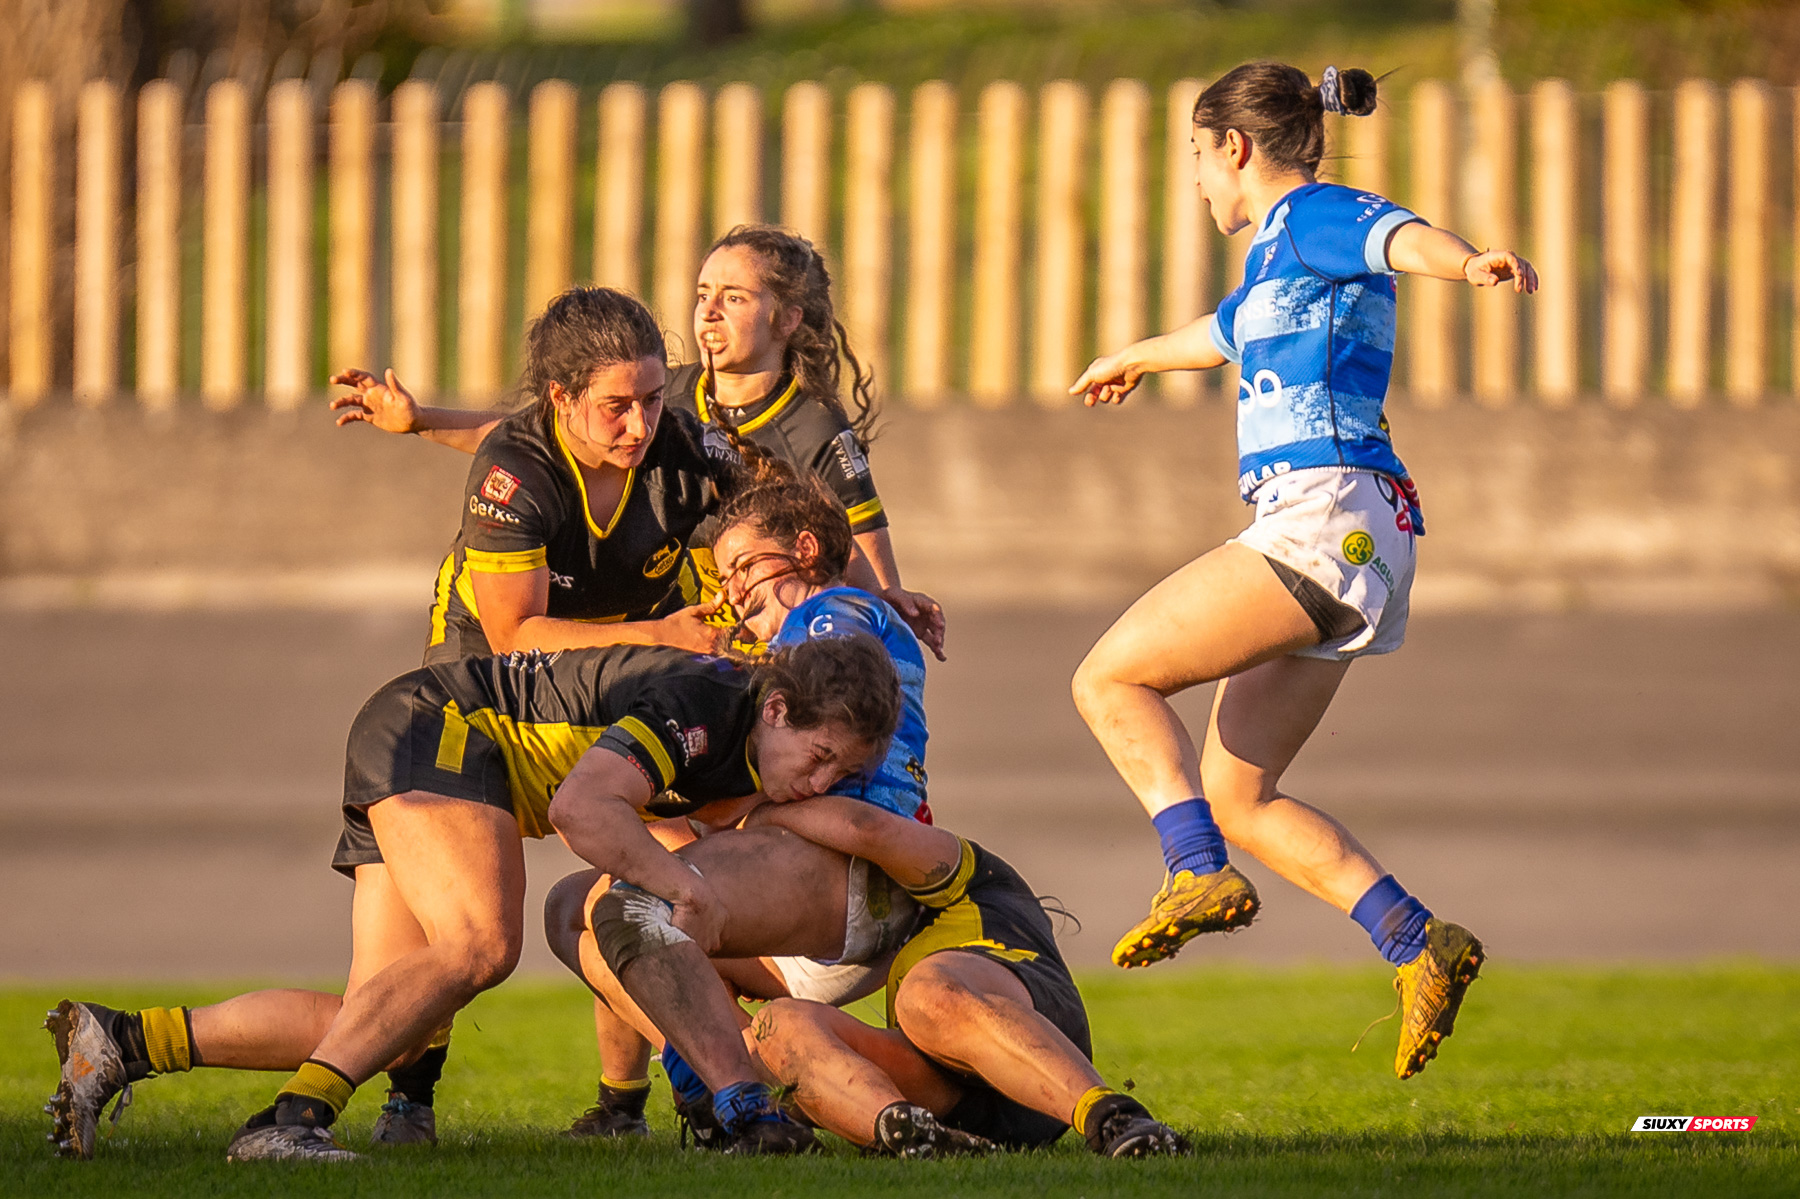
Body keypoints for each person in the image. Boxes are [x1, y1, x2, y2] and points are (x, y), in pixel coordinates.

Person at [1067, 62, 1535, 1080]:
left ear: (1234, 147)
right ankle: (1420, 942)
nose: (1195, 179)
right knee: (1240, 791)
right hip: (1363, 527)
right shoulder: (1278, 263)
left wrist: (1470, 265)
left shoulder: (1317, 215)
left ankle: (1195, 874)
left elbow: (1397, 234)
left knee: (1108, 678)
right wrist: (1135, 355)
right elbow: (1222, 335)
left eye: (1196, 155)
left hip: (1326, 514)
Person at [44, 633, 902, 1162]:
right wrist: (680, 883)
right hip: (441, 729)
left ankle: (118, 1041)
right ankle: (292, 1121)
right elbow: (581, 808)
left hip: (420, 733)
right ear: (779, 707)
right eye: (820, 757)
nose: (818, 781)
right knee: (482, 947)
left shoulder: (750, 741)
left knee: (378, 1016)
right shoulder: (707, 703)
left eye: (842, 772)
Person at [328, 286, 734, 1141]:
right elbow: (515, 634)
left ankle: (634, 1102)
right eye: (617, 406)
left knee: (650, 886)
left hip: (599, 698)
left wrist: (884, 594)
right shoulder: (517, 471)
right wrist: (665, 631)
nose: (640, 424)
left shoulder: (679, 444)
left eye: (655, 398)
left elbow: (792, 508)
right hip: (479, 710)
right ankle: (394, 1095)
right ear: (562, 399)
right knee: (410, 980)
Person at [331, 225, 946, 661]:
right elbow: (532, 439)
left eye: (734, 298)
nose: (709, 312)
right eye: (703, 294)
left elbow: (856, 545)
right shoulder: (667, 387)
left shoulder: (812, 429)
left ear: (787, 320)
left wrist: (886, 600)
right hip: (684, 625)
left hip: (754, 628)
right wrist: (420, 420)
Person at [544, 461, 936, 1137]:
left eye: (742, 565)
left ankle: (725, 1086)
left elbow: (837, 661)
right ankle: (689, 1080)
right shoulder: (836, 629)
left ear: (805, 551)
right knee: (578, 902)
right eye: (721, 575)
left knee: (632, 903)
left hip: (835, 874)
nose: (731, 589)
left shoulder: (824, 619)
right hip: (831, 896)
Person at [567, 794, 1190, 1158]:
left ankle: (1114, 1117)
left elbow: (867, 828)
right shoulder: (871, 926)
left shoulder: (956, 873)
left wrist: (764, 818)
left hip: (1035, 1040)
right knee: (776, 1029)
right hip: (956, 1098)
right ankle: (907, 1135)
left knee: (927, 998)